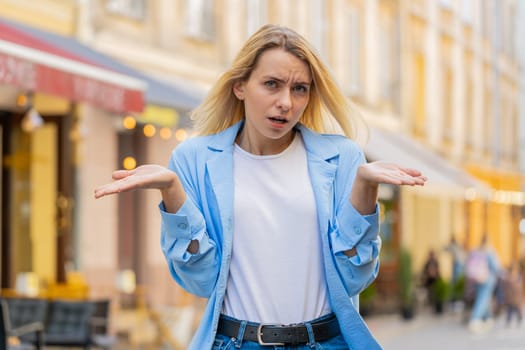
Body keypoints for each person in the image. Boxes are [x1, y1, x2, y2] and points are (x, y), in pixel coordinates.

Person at [95, 24, 426, 350]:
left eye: (300, 89)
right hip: (236, 342)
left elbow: (354, 279)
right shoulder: (193, 159)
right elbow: (201, 282)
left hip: (324, 343)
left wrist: (365, 193)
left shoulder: (341, 158)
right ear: (240, 85)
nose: (286, 102)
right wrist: (173, 195)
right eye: (272, 84)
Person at [464, 234, 501, 333]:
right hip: (487, 279)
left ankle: (488, 318)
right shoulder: (489, 251)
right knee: (483, 298)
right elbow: (496, 267)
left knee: (484, 298)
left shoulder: (475, 250)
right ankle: (475, 319)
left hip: (476, 279)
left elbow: (467, 264)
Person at [501, 261, 523, 327]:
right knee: (509, 312)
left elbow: (521, 289)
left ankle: (519, 319)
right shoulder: (507, 279)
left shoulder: (519, 278)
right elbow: (504, 289)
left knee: (518, 311)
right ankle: (508, 322)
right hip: (510, 300)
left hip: (517, 300)